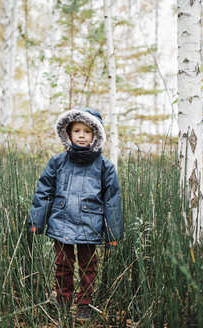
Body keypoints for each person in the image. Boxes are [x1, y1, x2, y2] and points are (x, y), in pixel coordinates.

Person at [28, 107, 123, 321]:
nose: (82, 135)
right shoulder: (57, 161)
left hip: (90, 224)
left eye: (88, 131)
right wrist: (37, 221)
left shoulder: (104, 166)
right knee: (63, 265)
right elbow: (44, 191)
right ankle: (63, 301)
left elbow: (112, 200)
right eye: (77, 130)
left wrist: (113, 234)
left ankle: (84, 304)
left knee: (89, 268)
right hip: (61, 223)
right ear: (68, 133)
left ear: (96, 135)